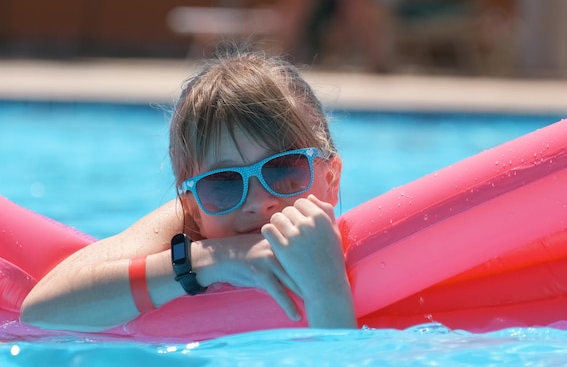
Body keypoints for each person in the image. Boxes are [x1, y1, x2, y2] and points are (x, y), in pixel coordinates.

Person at [20, 44, 357, 332]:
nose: (259, 201)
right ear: (192, 208)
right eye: (223, 184)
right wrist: (213, 260)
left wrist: (327, 290)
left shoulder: (366, 251)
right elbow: (40, 312)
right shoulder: (185, 226)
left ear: (331, 179)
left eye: (284, 170)